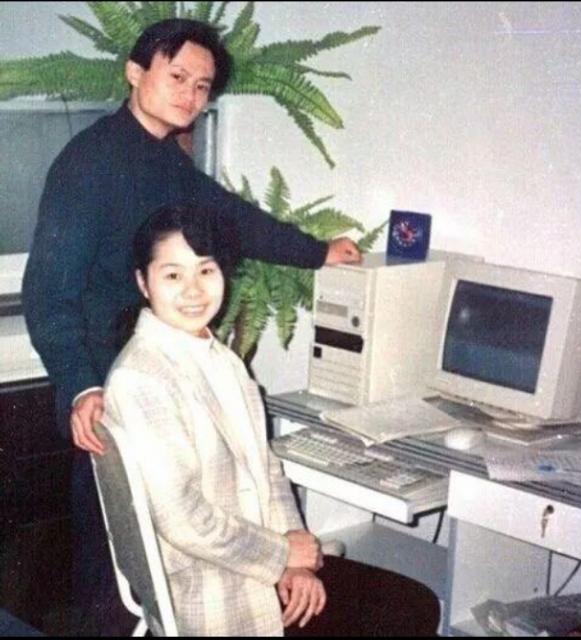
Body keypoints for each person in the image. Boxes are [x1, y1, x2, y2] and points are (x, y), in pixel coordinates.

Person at [21, 18, 360, 632]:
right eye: (178, 77)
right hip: (106, 380)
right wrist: (80, 384)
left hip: (146, 359)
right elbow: (48, 292)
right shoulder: (89, 161)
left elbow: (232, 218)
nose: (191, 95)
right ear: (135, 72)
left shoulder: (162, 160)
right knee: (116, 562)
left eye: (202, 86)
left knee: (151, 555)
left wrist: (316, 252)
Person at [100, 203, 440, 636]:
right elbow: (182, 518)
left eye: (206, 270)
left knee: (408, 602)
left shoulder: (219, 359)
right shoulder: (141, 378)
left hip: (251, 564)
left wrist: (297, 564)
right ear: (142, 283)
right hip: (215, 593)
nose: (193, 290)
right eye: (173, 275)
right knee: (410, 610)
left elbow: (268, 469)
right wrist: (280, 555)